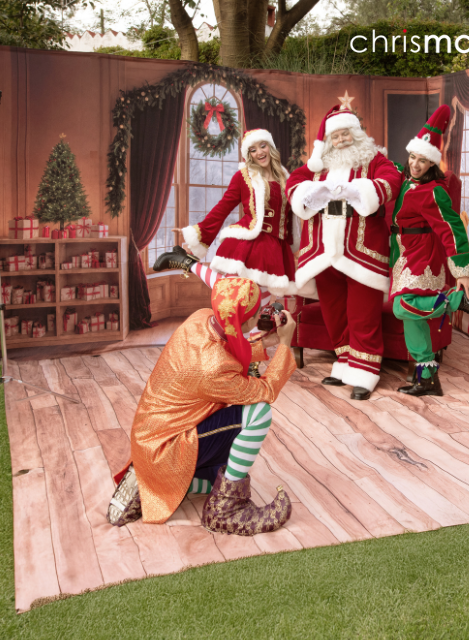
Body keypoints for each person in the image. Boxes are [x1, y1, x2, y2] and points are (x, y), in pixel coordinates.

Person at [107, 277, 298, 535]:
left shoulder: (201, 318)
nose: (258, 316)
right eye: (256, 313)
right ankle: (225, 510)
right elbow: (266, 390)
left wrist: (267, 342)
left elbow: (228, 346)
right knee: (259, 414)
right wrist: (285, 345)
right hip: (168, 447)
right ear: (247, 321)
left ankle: (152, 482)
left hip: (151, 440)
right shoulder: (214, 369)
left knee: (217, 477)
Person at [286, 104, 404, 401]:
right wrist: (308, 192)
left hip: (361, 252)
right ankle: (345, 363)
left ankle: (365, 372)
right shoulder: (319, 164)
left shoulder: (373, 159)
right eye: (335, 136)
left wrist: (361, 190)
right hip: (323, 251)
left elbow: (392, 180)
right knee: (334, 312)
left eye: (345, 134)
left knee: (363, 314)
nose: (340, 141)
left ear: (356, 133)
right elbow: (294, 182)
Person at [153, 130, 297, 359]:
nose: (259, 152)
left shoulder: (285, 178)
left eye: (262, 146)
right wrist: (196, 234)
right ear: (248, 154)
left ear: (270, 146)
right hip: (248, 243)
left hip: (274, 249)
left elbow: (292, 218)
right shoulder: (243, 177)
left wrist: (295, 247)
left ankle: (252, 360)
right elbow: (223, 207)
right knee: (231, 294)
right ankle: (187, 262)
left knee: (259, 307)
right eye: (253, 149)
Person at [387, 105, 469, 396]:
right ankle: (427, 379)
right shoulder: (405, 180)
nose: (415, 164)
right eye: (413, 157)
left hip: (422, 255)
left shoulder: (433, 191)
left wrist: (463, 270)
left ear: (432, 163)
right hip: (404, 255)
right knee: (413, 320)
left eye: (423, 161)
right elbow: (385, 165)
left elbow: (452, 228)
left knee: (401, 306)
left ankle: (458, 301)